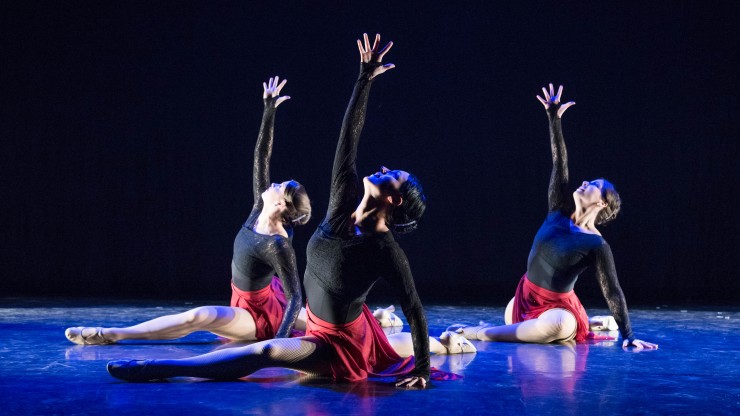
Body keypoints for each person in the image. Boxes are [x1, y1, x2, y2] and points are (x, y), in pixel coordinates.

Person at [106, 33, 470, 388]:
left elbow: (415, 308)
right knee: (392, 345)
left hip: (335, 344)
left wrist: (422, 369)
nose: (386, 166)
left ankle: (158, 367)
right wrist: (364, 79)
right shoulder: (341, 208)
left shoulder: (385, 251)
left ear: (396, 200)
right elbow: (348, 143)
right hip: (318, 322)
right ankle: (445, 340)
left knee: (267, 351)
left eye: (394, 175)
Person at [65, 76, 309, 344]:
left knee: (197, 317)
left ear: (281, 204)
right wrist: (268, 111)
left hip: (257, 314)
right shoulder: (258, 210)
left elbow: (295, 296)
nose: (273, 182)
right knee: (314, 321)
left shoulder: (278, 244)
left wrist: (280, 343)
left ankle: (110, 334)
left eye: (279, 185)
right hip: (252, 295)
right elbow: (261, 157)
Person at [450, 84, 657, 351]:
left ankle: (479, 333)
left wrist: (629, 334)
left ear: (602, 202)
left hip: (557, 312)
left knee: (560, 325)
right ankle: (592, 323)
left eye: (593, 184)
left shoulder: (596, 245)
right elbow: (560, 163)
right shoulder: (558, 209)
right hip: (524, 300)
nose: (584, 181)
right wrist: (554, 119)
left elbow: (612, 291)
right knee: (510, 309)